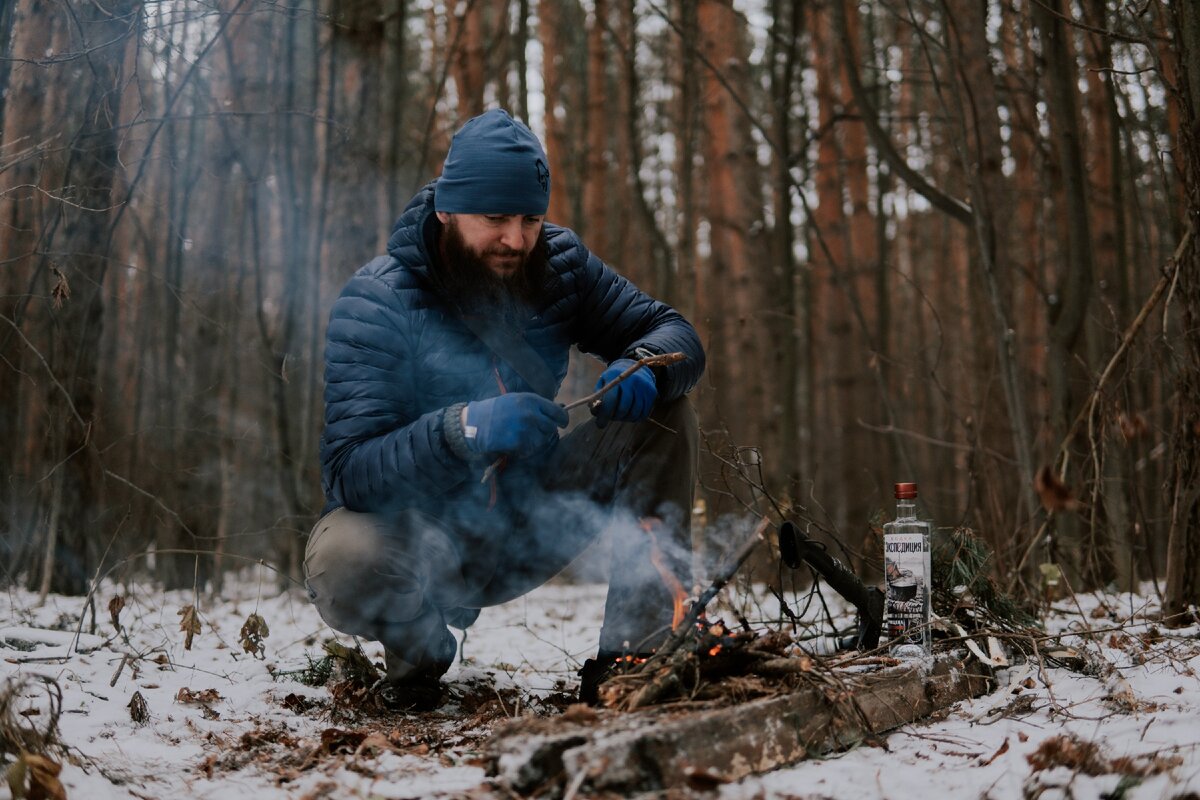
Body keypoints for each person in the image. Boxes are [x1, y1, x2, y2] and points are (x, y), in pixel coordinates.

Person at [304, 108, 705, 710]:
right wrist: (463, 429)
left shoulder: (560, 263)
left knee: (666, 412)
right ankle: (421, 650)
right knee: (345, 557)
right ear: (447, 209)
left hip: (529, 520)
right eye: (494, 218)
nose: (516, 239)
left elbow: (674, 331)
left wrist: (645, 364)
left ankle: (635, 659)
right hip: (427, 541)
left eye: (531, 218)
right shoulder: (378, 299)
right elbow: (350, 470)